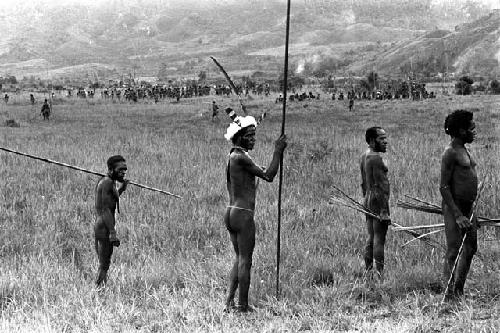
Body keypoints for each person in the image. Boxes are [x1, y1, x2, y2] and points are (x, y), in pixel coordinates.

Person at [223, 108, 287, 313]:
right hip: (242, 214)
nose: (253, 140)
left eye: (254, 136)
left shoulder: (234, 155)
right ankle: (242, 306)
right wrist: (278, 150)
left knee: (239, 258)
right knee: (245, 260)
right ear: (239, 137)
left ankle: (229, 302)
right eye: (249, 136)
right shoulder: (241, 157)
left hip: (232, 211)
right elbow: (268, 175)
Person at [440, 110, 478, 300]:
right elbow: (444, 187)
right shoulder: (450, 152)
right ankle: (448, 295)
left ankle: (458, 289)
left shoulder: (464, 149)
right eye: (471, 127)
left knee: (471, 248)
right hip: (454, 208)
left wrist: (469, 211)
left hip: (469, 208)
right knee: (454, 250)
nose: (475, 130)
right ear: (462, 130)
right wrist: (457, 214)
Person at [360, 127, 390, 283]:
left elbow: (364, 183)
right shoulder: (376, 159)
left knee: (371, 237)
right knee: (379, 239)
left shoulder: (365, 155)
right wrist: (384, 210)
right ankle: (379, 276)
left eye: (385, 138)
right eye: (381, 139)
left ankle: (368, 272)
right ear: (372, 141)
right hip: (378, 202)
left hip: (368, 199)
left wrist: (366, 199)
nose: (385, 141)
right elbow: (381, 186)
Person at [94, 155, 129, 287]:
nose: (123, 172)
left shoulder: (109, 181)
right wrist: (112, 232)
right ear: (111, 169)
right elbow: (105, 209)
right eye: (120, 169)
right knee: (104, 263)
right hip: (104, 226)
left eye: (125, 170)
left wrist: (122, 189)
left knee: (105, 262)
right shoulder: (107, 182)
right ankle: (98, 289)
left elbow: (111, 200)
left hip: (103, 225)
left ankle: (101, 286)